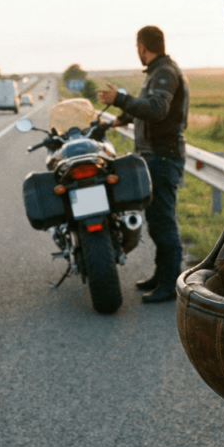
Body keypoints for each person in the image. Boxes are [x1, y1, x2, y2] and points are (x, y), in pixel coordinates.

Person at [98, 26, 189, 303]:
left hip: (163, 156)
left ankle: (170, 284)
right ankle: (161, 276)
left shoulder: (164, 72)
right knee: (157, 220)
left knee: (163, 221)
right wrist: (118, 120)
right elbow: (147, 107)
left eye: (137, 47)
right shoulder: (158, 71)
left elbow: (157, 110)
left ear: (142, 47)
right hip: (157, 155)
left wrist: (119, 99)